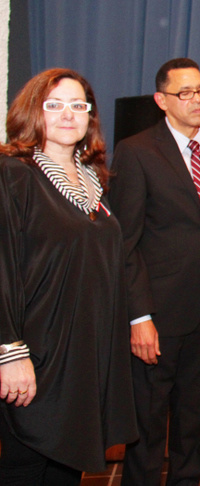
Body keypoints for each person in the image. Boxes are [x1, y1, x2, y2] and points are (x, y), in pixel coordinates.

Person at [0, 69, 137, 484]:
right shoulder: (14, 174)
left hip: (83, 359)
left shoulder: (95, 180)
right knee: (26, 469)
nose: (67, 114)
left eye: (78, 105)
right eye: (54, 104)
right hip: (35, 357)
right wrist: (10, 353)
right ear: (32, 112)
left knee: (66, 470)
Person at [109, 58, 200, 486]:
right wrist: (139, 316)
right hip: (157, 317)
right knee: (147, 431)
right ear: (161, 100)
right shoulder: (136, 151)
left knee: (191, 426)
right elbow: (125, 242)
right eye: (185, 93)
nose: (198, 100)